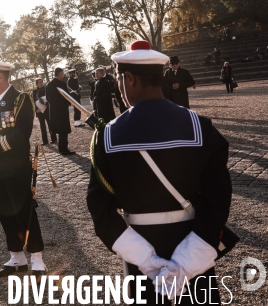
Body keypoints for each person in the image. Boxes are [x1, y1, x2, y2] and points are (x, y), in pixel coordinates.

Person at [87, 40, 233, 303]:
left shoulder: (106, 136)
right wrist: (187, 261)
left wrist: (147, 260)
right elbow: (218, 196)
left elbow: (100, 208)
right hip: (195, 243)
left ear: (129, 78)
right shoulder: (201, 126)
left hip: (141, 253)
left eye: (120, 79)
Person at [0, 56, 47, 279]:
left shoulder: (20, 99)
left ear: (0, 76)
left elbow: (20, 135)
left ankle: (37, 258)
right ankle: (17, 257)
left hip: (16, 166)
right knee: (5, 211)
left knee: (24, 210)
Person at [46, 67, 75, 155]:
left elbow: (48, 98)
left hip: (54, 111)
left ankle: (61, 148)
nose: (63, 76)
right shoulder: (61, 84)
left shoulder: (49, 85)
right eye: (62, 74)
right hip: (62, 111)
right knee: (64, 130)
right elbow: (67, 97)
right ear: (59, 74)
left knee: (59, 130)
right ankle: (64, 149)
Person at [32, 78, 56, 145]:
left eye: (42, 82)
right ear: (36, 84)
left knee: (50, 124)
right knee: (42, 126)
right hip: (39, 111)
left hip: (47, 110)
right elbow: (32, 101)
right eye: (39, 82)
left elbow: (50, 98)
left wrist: (47, 104)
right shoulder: (34, 92)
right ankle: (45, 141)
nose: (41, 83)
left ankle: (54, 139)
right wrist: (36, 109)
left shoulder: (46, 89)